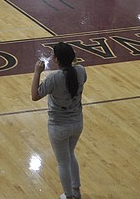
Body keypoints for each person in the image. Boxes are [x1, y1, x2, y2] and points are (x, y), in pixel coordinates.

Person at [30, 42, 87, 199]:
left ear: (56, 59)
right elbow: (77, 75)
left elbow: (35, 95)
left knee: (63, 162)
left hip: (58, 125)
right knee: (70, 153)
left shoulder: (54, 78)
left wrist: (37, 72)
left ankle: (68, 196)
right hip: (77, 122)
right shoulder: (81, 71)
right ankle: (76, 191)